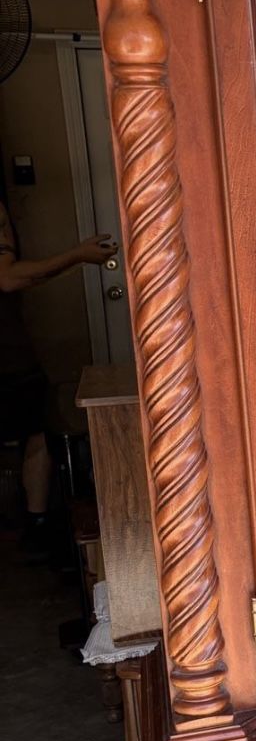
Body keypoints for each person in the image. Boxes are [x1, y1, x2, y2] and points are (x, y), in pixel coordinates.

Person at [0, 199, 118, 557]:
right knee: (35, 435)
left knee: (36, 432)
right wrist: (78, 255)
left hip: (13, 352)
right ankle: (33, 528)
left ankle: (34, 528)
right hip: (7, 356)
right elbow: (8, 278)